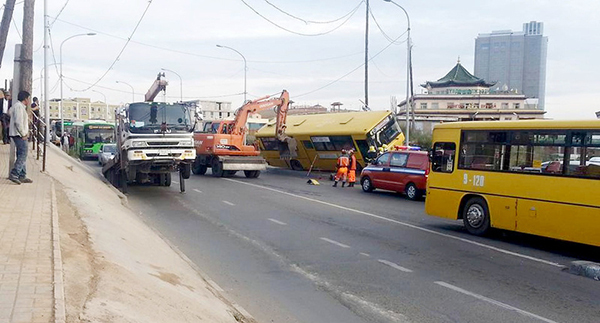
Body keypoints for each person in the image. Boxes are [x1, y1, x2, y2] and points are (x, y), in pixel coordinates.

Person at [8, 91, 32, 184]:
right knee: (23, 153)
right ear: (25, 99)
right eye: (28, 98)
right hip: (19, 134)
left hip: (18, 134)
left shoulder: (19, 106)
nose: (29, 100)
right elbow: (18, 122)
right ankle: (14, 173)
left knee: (21, 154)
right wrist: (23, 134)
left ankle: (22, 175)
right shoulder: (18, 107)